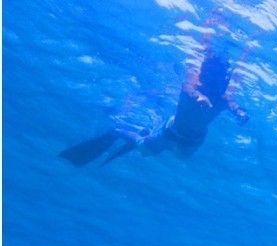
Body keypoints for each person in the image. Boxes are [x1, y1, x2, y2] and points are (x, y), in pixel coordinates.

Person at [60, 16, 249, 166]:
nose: (215, 86)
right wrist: (199, 97)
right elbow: (190, 90)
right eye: (210, 79)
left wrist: (240, 113)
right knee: (144, 150)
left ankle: (147, 132)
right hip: (172, 130)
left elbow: (233, 104)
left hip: (193, 139)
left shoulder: (224, 97)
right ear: (204, 76)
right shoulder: (191, 86)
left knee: (181, 158)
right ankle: (118, 132)